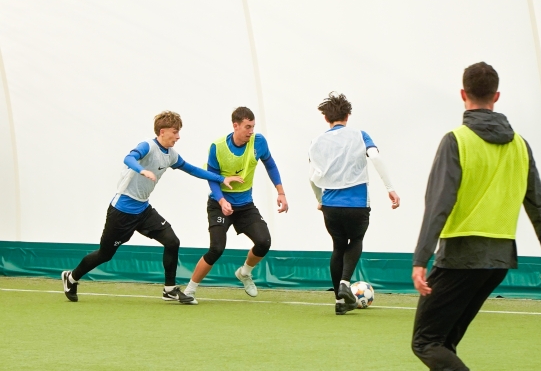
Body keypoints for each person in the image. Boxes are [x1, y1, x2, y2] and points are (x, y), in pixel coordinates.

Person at [411, 62, 541, 370]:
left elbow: (438, 203)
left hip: (460, 257)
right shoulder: (520, 145)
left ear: (462, 94)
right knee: (444, 342)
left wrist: (420, 258)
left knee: (426, 342)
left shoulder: (456, 140)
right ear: (496, 96)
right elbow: (540, 207)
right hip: (498, 262)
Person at [61, 111, 242, 303]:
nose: (178, 137)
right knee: (105, 254)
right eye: (175, 132)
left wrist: (221, 178)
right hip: (122, 212)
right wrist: (142, 170)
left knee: (172, 242)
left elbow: (192, 169)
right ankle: (71, 277)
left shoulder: (171, 155)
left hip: (143, 210)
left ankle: (169, 290)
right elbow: (129, 158)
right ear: (163, 132)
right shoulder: (147, 146)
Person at [183, 107, 288, 304]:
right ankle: (189, 291)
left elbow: (271, 165)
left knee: (264, 242)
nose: (251, 131)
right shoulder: (217, 147)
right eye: (247, 127)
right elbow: (211, 178)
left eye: (253, 126)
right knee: (216, 248)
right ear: (235, 125)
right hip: (219, 204)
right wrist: (222, 200)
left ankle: (245, 272)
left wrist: (280, 192)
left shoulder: (258, 142)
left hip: (245, 205)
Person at [308, 92, 400, 315]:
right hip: (357, 203)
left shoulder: (317, 142)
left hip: (330, 205)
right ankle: (345, 283)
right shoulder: (360, 135)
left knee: (338, 246)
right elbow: (375, 157)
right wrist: (390, 188)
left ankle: (340, 301)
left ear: (326, 118)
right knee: (356, 239)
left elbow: (312, 177)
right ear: (348, 115)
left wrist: (320, 200)